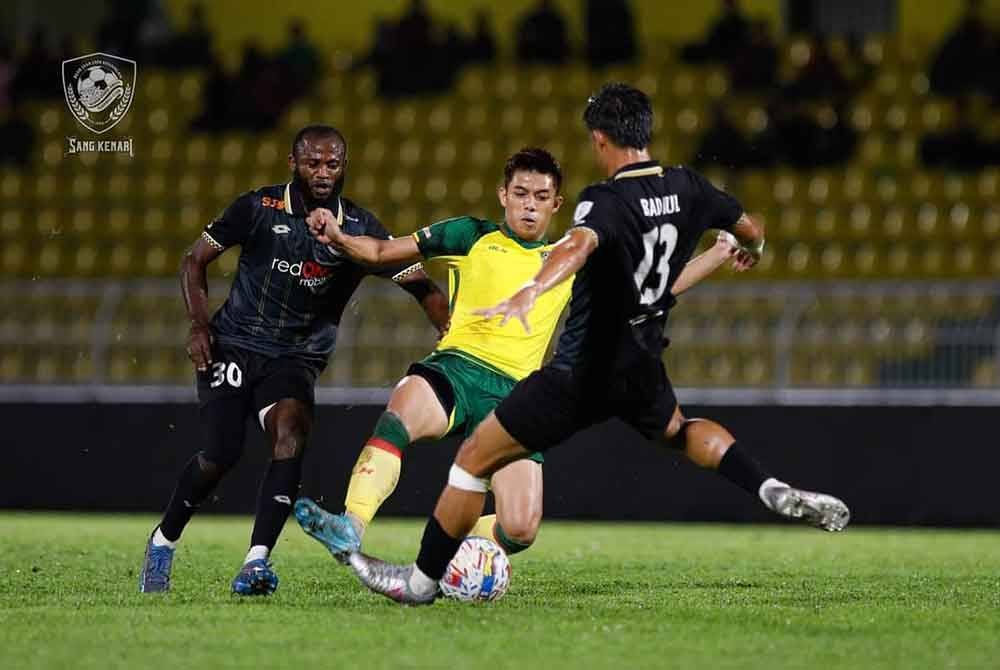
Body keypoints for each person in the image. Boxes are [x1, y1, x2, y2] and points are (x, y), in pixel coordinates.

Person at [343, 83, 851, 605]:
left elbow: (578, 246)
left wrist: (533, 289)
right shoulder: (691, 187)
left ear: (600, 139)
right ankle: (767, 487)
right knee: (679, 429)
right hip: (642, 363)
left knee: (473, 459)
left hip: (583, 369)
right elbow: (747, 226)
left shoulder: (605, 200)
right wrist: (745, 247)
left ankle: (420, 583)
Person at [293, 148, 742, 564]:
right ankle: (350, 525)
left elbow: (654, 289)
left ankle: (455, 550)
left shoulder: (568, 259)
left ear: (556, 205)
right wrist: (337, 235)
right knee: (403, 407)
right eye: (521, 194)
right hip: (455, 369)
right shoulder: (470, 235)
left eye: (541, 197)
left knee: (521, 529)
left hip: (517, 396)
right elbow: (381, 251)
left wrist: (719, 251)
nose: (529, 204)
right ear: (503, 195)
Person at [138, 125, 450, 596]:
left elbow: (420, 284)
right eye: (313, 163)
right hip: (235, 344)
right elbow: (193, 261)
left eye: (333, 164)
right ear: (293, 163)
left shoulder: (360, 229)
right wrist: (199, 325)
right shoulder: (257, 208)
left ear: (345, 165)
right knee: (222, 453)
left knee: (290, 436)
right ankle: (163, 540)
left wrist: (449, 331)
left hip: (296, 359)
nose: (323, 173)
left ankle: (256, 562)